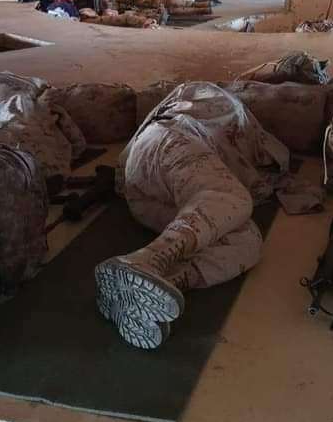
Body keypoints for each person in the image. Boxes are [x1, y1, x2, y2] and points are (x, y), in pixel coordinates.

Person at [95, 82, 291, 349]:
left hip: (149, 198)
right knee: (232, 197)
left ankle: (159, 286)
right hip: (165, 144)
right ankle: (146, 260)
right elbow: (270, 159)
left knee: (249, 241)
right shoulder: (218, 104)